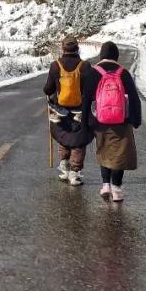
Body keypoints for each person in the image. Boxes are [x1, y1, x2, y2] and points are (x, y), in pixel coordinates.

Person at [82, 41, 141, 202]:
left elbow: (86, 99)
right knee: (119, 154)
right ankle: (116, 188)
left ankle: (105, 185)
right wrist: (136, 119)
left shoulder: (94, 73)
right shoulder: (123, 73)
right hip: (122, 121)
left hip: (99, 121)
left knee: (104, 151)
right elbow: (134, 99)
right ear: (116, 56)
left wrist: (85, 121)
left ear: (101, 55)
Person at [43, 36, 95, 185]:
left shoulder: (55, 66)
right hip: (80, 110)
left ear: (63, 48)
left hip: (61, 110)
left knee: (64, 136)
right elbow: (90, 89)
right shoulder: (85, 66)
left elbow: (48, 89)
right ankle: (75, 173)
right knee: (78, 140)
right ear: (77, 48)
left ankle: (65, 167)